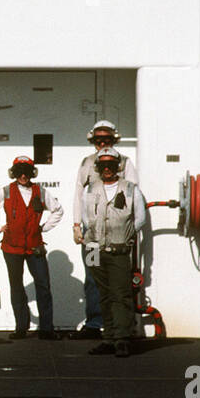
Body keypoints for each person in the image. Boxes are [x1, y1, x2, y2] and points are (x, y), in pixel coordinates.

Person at [0, 155, 63, 340]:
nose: (23, 176)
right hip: (11, 248)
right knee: (16, 286)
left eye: (26, 172)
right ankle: (21, 327)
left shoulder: (40, 191)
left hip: (35, 247)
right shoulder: (6, 191)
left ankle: (46, 329)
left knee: (43, 285)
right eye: (19, 172)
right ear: (14, 173)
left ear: (32, 173)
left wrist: (44, 228)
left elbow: (58, 210)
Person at [71, 120, 139, 339]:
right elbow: (78, 195)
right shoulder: (87, 163)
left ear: (114, 139)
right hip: (92, 237)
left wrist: (129, 231)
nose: (102, 143)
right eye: (98, 139)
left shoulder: (125, 163)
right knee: (92, 277)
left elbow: (134, 198)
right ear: (93, 140)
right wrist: (76, 225)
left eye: (107, 139)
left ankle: (120, 330)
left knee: (119, 283)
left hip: (117, 239)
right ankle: (95, 323)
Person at [79, 147, 147, 357]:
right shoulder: (89, 189)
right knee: (101, 292)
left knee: (121, 294)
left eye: (111, 165)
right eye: (103, 165)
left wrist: (124, 235)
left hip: (118, 249)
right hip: (92, 248)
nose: (107, 169)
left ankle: (121, 339)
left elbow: (140, 218)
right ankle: (107, 338)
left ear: (117, 167)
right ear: (98, 167)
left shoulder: (130, 189)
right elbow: (84, 216)